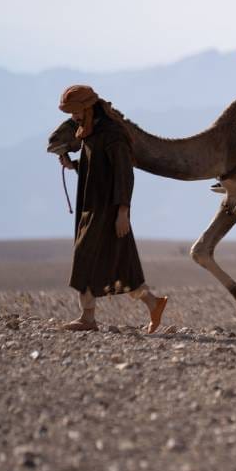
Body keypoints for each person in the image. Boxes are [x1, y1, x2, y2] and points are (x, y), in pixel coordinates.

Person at [57, 85, 168, 333]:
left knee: (84, 256)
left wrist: (122, 213)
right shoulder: (90, 131)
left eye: (75, 112)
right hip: (91, 206)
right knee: (121, 265)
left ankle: (87, 318)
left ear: (86, 108)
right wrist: (73, 165)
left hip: (107, 209)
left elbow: (123, 175)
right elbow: (96, 168)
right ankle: (154, 303)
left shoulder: (112, 134)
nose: (73, 118)